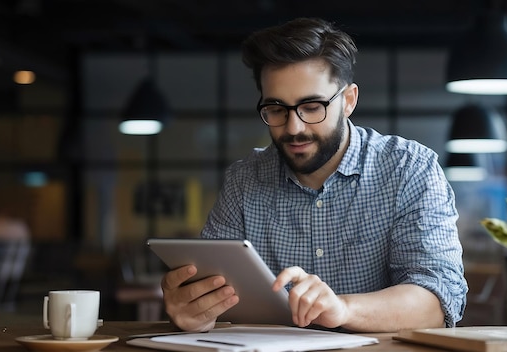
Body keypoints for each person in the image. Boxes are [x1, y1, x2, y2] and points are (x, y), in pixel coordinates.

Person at [161, 17, 468, 333]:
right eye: (277, 109)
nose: (294, 128)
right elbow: (207, 292)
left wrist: (343, 309)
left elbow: (437, 301)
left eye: (311, 107)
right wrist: (192, 310)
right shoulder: (243, 181)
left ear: (348, 101)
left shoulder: (409, 169)